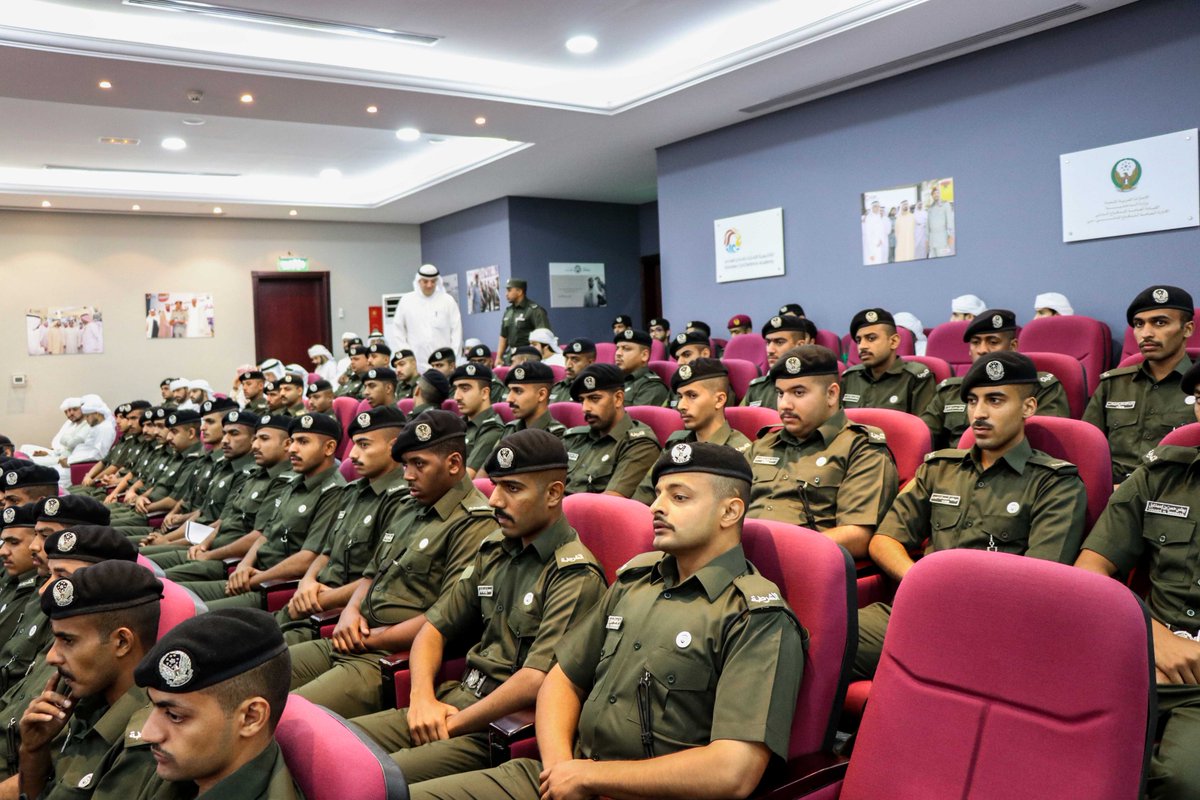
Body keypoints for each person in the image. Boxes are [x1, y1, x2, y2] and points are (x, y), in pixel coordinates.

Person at [407, 442, 805, 800]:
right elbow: (561, 679)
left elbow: (733, 771)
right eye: (659, 493)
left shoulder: (755, 617)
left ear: (730, 511)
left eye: (679, 497)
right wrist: (562, 768)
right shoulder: (635, 580)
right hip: (560, 777)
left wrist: (591, 778)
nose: (656, 506)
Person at [347, 429, 607, 784]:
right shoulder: (495, 548)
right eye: (496, 485)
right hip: (450, 698)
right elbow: (435, 628)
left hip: (494, 727)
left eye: (512, 488)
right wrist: (421, 697)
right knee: (337, 744)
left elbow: (535, 680)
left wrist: (455, 723)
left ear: (553, 494)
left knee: (364, 781)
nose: (495, 500)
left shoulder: (573, 574)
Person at [855, 351, 1087, 678]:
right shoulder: (939, 468)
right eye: (973, 401)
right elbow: (884, 540)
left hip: (993, 629)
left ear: (1028, 407)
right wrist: (917, 579)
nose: (978, 413)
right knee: (813, 635)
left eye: (995, 400)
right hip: (917, 610)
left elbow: (1039, 582)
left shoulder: (1055, 484)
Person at [288, 411, 495, 718]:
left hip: (386, 656)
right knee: (257, 676)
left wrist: (372, 638)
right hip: (349, 636)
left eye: (419, 464)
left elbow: (443, 619)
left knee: (288, 715)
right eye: (405, 464)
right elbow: (372, 574)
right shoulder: (411, 506)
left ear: (453, 464)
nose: (408, 474)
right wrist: (350, 611)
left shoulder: (474, 523)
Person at [1074, 360, 1200, 800]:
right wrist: (1151, 634)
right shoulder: (1162, 475)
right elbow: (1090, 571)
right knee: (1033, 726)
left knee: (1185, 782)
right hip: (1148, 655)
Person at [18, 560, 166, 800]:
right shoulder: (86, 703)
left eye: (68, 641)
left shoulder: (148, 743)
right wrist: (33, 750)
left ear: (122, 642)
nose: (52, 657)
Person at [178, 414, 347, 608]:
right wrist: (244, 566)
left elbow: (308, 558)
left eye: (303, 442)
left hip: (274, 587)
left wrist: (255, 578)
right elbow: (265, 534)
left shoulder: (333, 491)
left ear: (329, 448)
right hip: (251, 574)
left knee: (186, 608)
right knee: (170, 591)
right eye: (292, 441)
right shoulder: (294, 482)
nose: (292, 449)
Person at [747, 345, 898, 559]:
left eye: (798, 392)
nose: (785, 404)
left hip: (804, 565)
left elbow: (858, 535)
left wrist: (780, 551)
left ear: (831, 394)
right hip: (742, 562)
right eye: (780, 393)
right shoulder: (764, 444)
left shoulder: (860, 447)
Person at [276, 407, 409, 644]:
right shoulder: (352, 491)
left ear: (394, 446)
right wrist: (306, 582)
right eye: (354, 444)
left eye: (364, 445)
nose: (353, 455)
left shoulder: (400, 499)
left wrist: (317, 599)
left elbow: (378, 578)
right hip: (309, 602)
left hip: (338, 617)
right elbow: (326, 552)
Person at [136, 608, 301, 798]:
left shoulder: (186, 762)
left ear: (251, 717)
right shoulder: (187, 767)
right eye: (153, 706)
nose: (148, 733)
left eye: (175, 716)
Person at [1084, 286, 1195, 484]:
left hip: (1176, 493)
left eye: (1160, 323)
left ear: (1187, 329)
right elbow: (1086, 448)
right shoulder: (1114, 384)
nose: (1146, 333)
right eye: (1138, 324)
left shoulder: (1197, 386)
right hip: (1113, 491)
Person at [920, 309, 1071, 449]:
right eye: (975, 342)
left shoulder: (1038, 387)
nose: (982, 350)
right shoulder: (950, 390)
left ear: (1013, 346)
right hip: (955, 471)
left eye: (993, 342)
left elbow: (1044, 443)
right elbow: (923, 439)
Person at [632, 359, 751, 504]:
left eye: (692, 396)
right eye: (680, 396)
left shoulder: (740, 452)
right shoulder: (676, 444)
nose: (681, 405)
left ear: (719, 400)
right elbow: (643, 496)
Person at [562, 365, 661, 497]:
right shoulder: (575, 438)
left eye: (594, 398)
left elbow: (609, 503)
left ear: (618, 399)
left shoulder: (638, 444)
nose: (585, 408)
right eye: (582, 400)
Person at [841, 308, 937, 414]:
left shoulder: (915, 377)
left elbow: (923, 427)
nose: (862, 346)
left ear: (893, 341)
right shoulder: (850, 377)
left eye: (871, 338)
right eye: (859, 340)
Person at [390, 264, 463, 371]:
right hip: (416, 365)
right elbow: (398, 332)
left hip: (443, 366)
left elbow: (457, 333)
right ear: (418, 281)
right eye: (425, 281)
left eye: (433, 281)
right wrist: (407, 357)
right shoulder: (406, 301)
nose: (429, 285)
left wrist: (453, 359)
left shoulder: (448, 301)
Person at [741, 315, 817, 409]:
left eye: (779, 342)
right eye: (768, 342)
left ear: (800, 345)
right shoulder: (757, 388)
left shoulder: (815, 385)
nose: (770, 350)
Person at [451, 364, 506, 478]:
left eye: (465, 388)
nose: (457, 396)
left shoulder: (492, 429)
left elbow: (467, 477)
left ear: (484, 393)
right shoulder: (457, 424)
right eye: (455, 388)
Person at [503, 363, 565, 439]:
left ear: (541, 394)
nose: (509, 399)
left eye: (518, 391)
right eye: (509, 391)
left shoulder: (556, 437)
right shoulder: (510, 429)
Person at [496, 280, 550, 366]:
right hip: (511, 357)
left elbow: (545, 336)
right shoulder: (508, 311)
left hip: (528, 356)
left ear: (520, 291)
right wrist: (499, 357)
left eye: (509, 290)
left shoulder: (534, 310)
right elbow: (503, 336)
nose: (506, 294)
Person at [613, 329, 669, 407]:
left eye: (626, 348)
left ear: (644, 355)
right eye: (617, 348)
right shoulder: (613, 380)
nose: (618, 353)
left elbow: (635, 419)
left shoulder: (652, 388)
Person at [549, 339, 595, 404]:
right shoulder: (557, 388)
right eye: (566, 359)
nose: (568, 365)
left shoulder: (596, 389)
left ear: (590, 363)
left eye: (575, 360)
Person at [926, 184, 955, 257]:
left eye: (937, 193)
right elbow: (927, 225)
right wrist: (927, 240)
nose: (936, 195)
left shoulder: (945, 205)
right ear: (932, 196)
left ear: (940, 194)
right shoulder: (930, 209)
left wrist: (950, 235)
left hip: (943, 239)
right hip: (932, 240)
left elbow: (950, 221)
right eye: (934, 193)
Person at [862, 199, 888, 265]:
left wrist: (881, 240)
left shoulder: (878, 217)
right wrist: (871, 252)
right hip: (873, 246)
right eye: (875, 206)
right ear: (872, 208)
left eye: (878, 206)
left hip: (880, 245)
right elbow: (868, 234)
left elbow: (881, 231)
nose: (877, 208)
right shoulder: (869, 218)